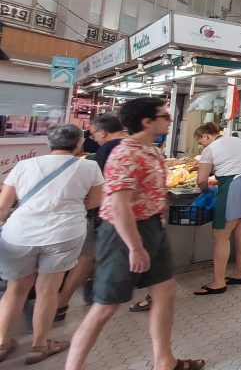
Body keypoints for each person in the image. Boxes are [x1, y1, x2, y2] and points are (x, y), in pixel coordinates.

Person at [65, 97, 205, 370]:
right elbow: (118, 206)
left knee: (165, 290)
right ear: (147, 121)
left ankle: (165, 361)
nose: (170, 119)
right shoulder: (124, 154)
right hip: (123, 233)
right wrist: (135, 247)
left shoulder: (152, 151)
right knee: (106, 304)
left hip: (152, 227)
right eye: (164, 115)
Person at [0, 125, 103, 364]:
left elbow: (4, 205)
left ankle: (3, 343)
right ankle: (39, 346)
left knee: (15, 289)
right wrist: (68, 209)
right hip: (64, 233)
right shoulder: (89, 166)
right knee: (48, 290)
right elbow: (96, 201)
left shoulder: (24, 166)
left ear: (49, 143)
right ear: (79, 143)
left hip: (20, 233)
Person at [54, 115, 127, 316]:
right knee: (98, 254)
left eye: (94, 134)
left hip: (107, 211)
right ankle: (94, 290)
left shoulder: (107, 149)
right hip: (121, 212)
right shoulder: (131, 146)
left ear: (103, 132)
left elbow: (100, 186)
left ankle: (63, 302)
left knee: (88, 255)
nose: (93, 139)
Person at [192, 122, 241, 296]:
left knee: (221, 235)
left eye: (201, 142)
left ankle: (218, 282)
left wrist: (206, 192)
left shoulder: (210, 149)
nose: (201, 146)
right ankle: (239, 273)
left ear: (206, 136)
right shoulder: (239, 141)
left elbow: (201, 180)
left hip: (233, 186)